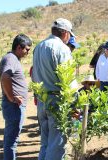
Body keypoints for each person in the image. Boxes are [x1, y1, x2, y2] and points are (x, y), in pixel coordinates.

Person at [32, 18, 75, 160]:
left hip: (42, 100)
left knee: (45, 142)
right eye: (70, 34)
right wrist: (74, 103)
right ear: (65, 33)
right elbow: (67, 80)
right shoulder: (62, 49)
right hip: (57, 101)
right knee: (56, 145)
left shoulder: (39, 47)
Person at [0, 34, 32, 160]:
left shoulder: (12, 59)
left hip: (14, 105)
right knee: (11, 141)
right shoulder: (11, 59)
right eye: (27, 49)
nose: (27, 53)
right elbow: (5, 77)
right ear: (19, 47)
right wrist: (12, 97)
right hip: (13, 106)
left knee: (12, 139)